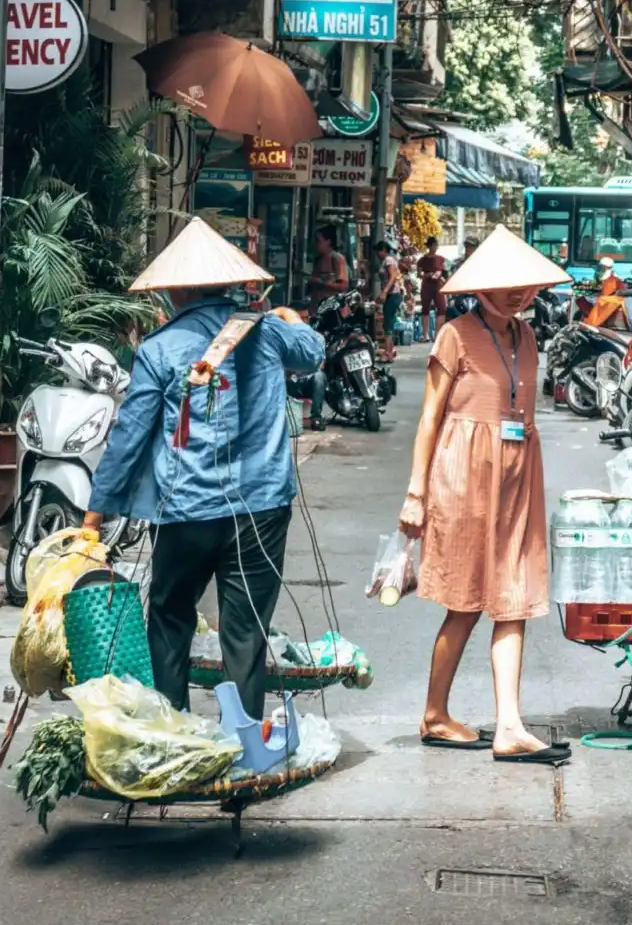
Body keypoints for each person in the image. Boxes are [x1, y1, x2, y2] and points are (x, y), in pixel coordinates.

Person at [84, 218, 325, 720]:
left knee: (171, 617)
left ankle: (173, 733)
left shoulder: (158, 348)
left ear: (175, 290)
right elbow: (314, 353)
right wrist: (292, 319)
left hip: (188, 509)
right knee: (245, 630)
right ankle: (244, 747)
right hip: (261, 508)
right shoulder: (269, 330)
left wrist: (96, 512)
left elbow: (130, 437)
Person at [398, 225, 573, 765]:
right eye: (503, 285)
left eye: (523, 286)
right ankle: (435, 714)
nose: (516, 294)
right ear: (478, 288)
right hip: (464, 477)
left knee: (512, 598)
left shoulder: (527, 336)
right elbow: (429, 418)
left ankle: (509, 724)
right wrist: (415, 492)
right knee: (466, 605)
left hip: (518, 475)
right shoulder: (454, 334)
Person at [370, 240, 405, 362]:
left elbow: (393, 276)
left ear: (384, 250)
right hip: (391, 294)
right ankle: (389, 350)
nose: (377, 254)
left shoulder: (389, 260)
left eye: (379, 251)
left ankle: (388, 353)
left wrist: (384, 291)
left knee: (388, 323)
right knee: (388, 322)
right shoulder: (388, 260)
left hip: (393, 295)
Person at [306, 225, 349, 305]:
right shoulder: (318, 259)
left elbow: (343, 286)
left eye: (318, 241)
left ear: (328, 242)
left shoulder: (337, 259)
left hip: (332, 308)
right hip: (317, 306)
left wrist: (322, 282)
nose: (316, 244)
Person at [417, 236, 448, 341]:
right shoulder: (422, 260)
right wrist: (427, 275)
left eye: (436, 245)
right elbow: (419, 273)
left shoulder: (441, 259)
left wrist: (441, 276)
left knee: (441, 308)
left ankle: (438, 335)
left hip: (438, 284)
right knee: (425, 309)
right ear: (429, 246)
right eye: (434, 245)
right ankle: (425, 335)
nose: (435, 247)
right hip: (427, 285)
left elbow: (445, 272)